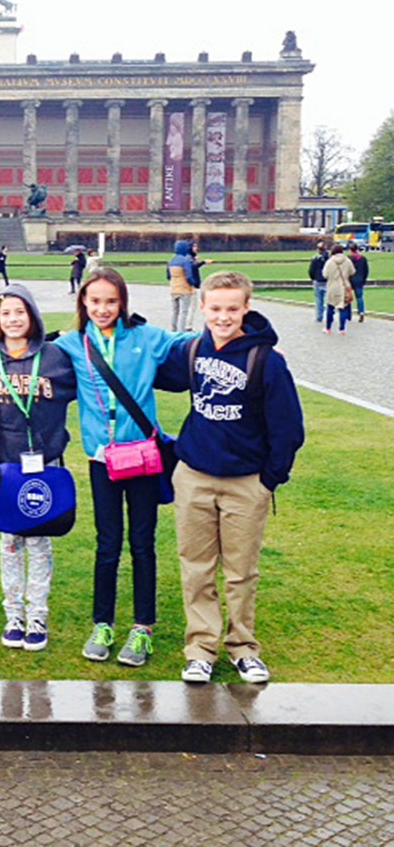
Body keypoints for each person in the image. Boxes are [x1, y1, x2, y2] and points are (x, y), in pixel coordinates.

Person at [157, 272, 304, 684]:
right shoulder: (192, 351)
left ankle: (242, 646)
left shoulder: (266, 361)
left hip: (245, 481)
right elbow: (150, 370)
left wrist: (269, 479)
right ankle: (201, 647)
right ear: (202, 307)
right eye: (216, 308)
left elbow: (289, 427)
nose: (223, 317)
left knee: (241, 571)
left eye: (232, 309)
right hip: (194, 475)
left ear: (246, 309)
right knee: (197, 567)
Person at [56, 268, 195, 667]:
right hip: (103, 459)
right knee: (107, 544)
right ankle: (103, 623)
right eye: (95, 301)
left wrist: (249, 346)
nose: (102, 309)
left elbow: (190, 343)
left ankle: (142, 627)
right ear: (83, 302)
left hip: (144, 459)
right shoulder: (71, 344)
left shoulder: (146, 338)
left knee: (143, 543)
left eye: (110, 302)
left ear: (123, 303)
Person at [0, 285, 76, 651]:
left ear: (32, 316)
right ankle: (13, 613)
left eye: (20, 312)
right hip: (5, 466)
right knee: (9, 541)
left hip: (45, 464)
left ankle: (37, 615)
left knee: (40, 541)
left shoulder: (55, 357)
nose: (13, 320)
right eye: (6, 313)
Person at [323, 243, 355, 334]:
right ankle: (342, 329)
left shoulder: (330, 262)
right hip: (344, 286)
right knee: (343, 308)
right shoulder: (347, 261)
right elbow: (352, 272)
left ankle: (328, 328)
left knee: (330, 307)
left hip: (332, 287)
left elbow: (325, 274)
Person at [166, 239, 197, 332]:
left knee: (175, 311)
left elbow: (168, 276)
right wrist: (193, 283)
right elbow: (189, 276)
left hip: (174, 289)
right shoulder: (185, 261)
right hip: (184, 289)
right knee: (184, 312)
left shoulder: (171, 261)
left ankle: (173, 329)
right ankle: (182, 331)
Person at [185, 241, 214, 331]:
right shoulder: (189, 258)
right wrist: (203, 262)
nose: (196, 248)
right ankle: (187, 326)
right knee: (191, 307)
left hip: (195, 284)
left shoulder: (191, 258)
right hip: (192, 285)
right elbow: (193, 267)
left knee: (191, 307)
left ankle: (187, 325)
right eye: (194, 246)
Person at [308, 240, 329, 324]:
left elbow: (311, 271)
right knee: (328, 300)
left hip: (318, 280)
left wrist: (313, 278)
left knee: (319, 300)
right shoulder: (329, 258)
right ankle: (329, 315)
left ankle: (319, 316)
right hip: (327, 280)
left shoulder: (315, 259)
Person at [348, 241, 369, 322]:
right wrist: (364, 279)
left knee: (348, 298)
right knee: (360, 297)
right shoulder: (363, 259)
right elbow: (366, 270)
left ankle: (348, 314)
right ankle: (361, 312)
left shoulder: (349, 259)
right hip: (359, 279)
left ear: (350, 250)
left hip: (350, 279)